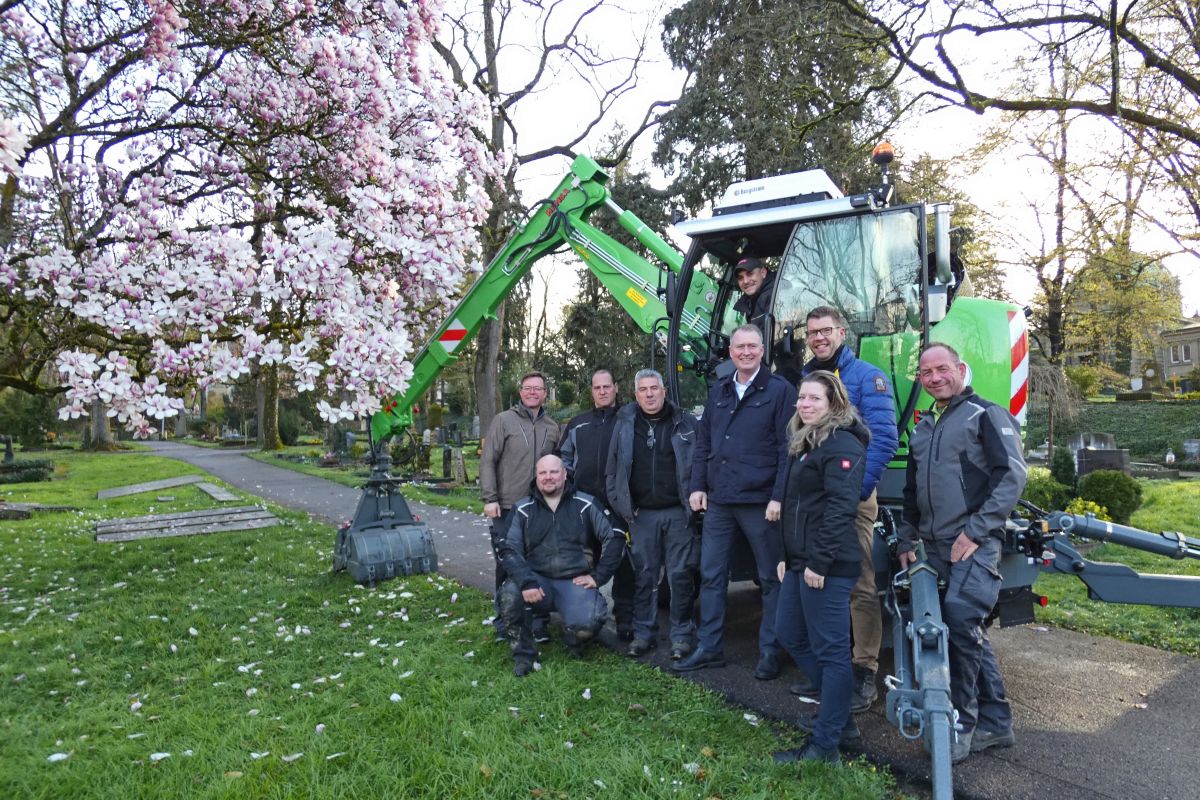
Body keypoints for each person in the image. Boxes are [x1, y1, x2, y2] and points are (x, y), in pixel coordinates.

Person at [897, 343, 1027, 763]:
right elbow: (911, 492)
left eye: (942, 369)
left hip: (973, 541)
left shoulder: (985, 414)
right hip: (933, 545)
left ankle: (963, 725)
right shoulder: (922, 427)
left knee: (959, 619)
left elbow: (1011, 475)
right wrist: (905, 538)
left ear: (960, 369)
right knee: (968, 631)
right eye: (926, 373)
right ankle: (997, 723)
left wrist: (976, 530)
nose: (934, 378)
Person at [675, 324, 797, 680]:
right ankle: (710, 647)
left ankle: (771, 651)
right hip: (721, 501)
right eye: (739, 347)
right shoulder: (719, 391)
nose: (745, 352)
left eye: (752, 347)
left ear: (762, 351)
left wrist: (778, 496)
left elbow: (786, 450)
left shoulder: (779, 391)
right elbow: (704, 444)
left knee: (770, 577)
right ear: (730, 352)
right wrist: (698, 486)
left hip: (761, 501)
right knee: (712, 574)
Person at [795, 306, 899, 712]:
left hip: (850, 500)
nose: (818, 338)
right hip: (814, 498)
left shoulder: (866, 378)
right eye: (812, 333)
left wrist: (855, 490)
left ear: (842, 332)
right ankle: (829, 666)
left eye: (825, 331)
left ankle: (863, 670)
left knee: (859, 583)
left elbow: (884, 439)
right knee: (818, 578)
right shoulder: (807, 380)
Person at [772, 370, 868, 765]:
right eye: (802, 398)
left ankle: (825, 746)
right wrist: (787, 556)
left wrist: (818, 562)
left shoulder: (842, 443)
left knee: (831, 653)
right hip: (801, 560)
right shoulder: (806, 441)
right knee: (789, 633)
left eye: (814, 399)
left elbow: (839, 510)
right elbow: (795, 508)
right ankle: (838, 715)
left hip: (827, 565)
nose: (805, 404)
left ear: (834, 403)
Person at [495, 455, 623, 676]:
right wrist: (526, 582)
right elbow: (508, 549)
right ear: (536, 477)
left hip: (573, 581)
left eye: (554, 472)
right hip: (536, 582)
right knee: (509, 596)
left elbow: (616, 536)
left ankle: (573, 637)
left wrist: (598, 576)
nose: (548, 477)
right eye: (543, 473)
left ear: (565, 474)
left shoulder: (586, 504)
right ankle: (524, 655)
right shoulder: (523, 509)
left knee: (588, 622)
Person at [606, 369, 700, 660]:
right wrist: (623, 505)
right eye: (643, 389)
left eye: (654, 388)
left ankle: (681, 636)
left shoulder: (685, 423)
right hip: (642, 515)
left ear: (664, 391)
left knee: (680, 577)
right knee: (645, 578)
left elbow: (699, 465)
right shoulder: (624, 425)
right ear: (636, 395)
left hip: (677, 514)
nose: (649, 394)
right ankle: (644, 634)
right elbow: (613, 470)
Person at [480, 371, 561, 640]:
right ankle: (505, 621)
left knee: (538, 562)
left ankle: (538, 622)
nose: (532, 392)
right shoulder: (503, 421)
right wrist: (490, 498)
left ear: (545, 393)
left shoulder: (552, 426)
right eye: (528, 388)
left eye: (538, 388)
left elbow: (555, 466)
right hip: (507, 505)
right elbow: (488, 460)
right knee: (507, 564)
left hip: (539, 507)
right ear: (520, 392)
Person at [559, 369, 635, 641]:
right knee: (585, 562)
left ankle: (625, 618)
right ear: (591, 391)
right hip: (585, 506)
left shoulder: (629, 420)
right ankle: (585, 617)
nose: (602, 391)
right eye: (596, 387)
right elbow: (563, 460)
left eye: (607, 386)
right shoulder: (578, 424)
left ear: (616, 387)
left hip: (620, 506)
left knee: (624, 563)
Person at [732, 257, 775, 339]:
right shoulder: (751, 301)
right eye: (740, 278)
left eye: (750, 274)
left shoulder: (773, 295)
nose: (745, 281)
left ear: (763, 272)